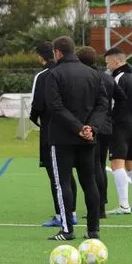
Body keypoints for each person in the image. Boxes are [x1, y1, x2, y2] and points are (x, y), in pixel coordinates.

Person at [43, 36, 109, 241]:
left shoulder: (53, 74)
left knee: (63, 183)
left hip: (63, 137)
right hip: (88, 138)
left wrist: (77, 128)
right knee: (89, 182)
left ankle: (67, 229)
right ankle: (93, 229)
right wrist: (91, 128)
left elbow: (55, 106)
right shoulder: (93, 74)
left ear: (57, 52)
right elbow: (103, 104)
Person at [30, 42, 77, 227]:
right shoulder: (75, 72)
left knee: (57, 176)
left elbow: (37, 106)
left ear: (42, 56)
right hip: (76, 129)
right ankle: (73, 212)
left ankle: (62, 215)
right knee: (72, 174)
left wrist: (40, 124)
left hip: (53, 131)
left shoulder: (44, 76)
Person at [78, 46, 122, 218]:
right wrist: (110, 116)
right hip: (106, 127)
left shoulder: (85, 78)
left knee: (93, 167)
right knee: (100, 166)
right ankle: (101, 207)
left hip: (91, 127)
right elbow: (121, 99)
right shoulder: (107, 77)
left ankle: (96, 209)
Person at [105, 47, 132, 214]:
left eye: (107, 62)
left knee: (117, 164)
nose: (106, 65)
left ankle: (124, 205)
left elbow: (113, 103)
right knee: (131, 164)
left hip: (119, 125)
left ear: (116, 61)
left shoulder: (117, 78)